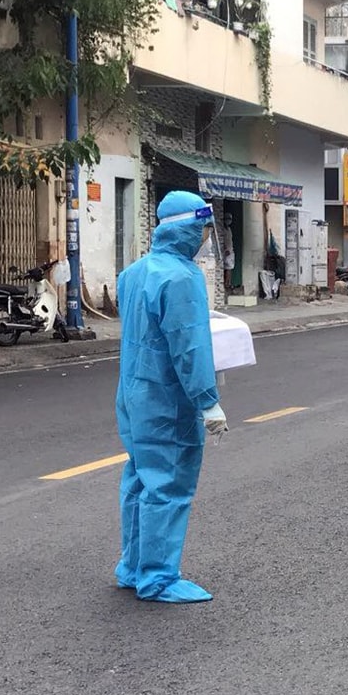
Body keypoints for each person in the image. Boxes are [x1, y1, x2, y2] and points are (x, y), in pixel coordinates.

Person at [114, 190, 229, 605]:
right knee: (169, 483)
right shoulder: (182, 277)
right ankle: (158, 577)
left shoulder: (134, 273)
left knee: (140, 479)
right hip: (168, 399)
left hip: (134, 393)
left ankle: (132, 565)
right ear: (189, 228)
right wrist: (207, 401)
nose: (203, 237)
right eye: (200, 228)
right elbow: (189, 346)